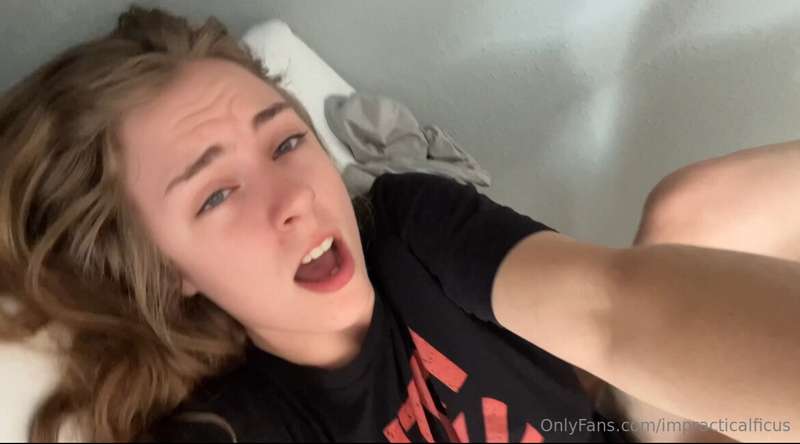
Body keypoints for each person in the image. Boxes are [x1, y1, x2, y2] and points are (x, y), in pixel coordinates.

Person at [0, 5, 797, 443]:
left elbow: (611, 311)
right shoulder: (236, 427)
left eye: (287, 141)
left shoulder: (412, 228)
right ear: (164, 268)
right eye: (215, 195)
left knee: (696, 209)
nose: (295, 196)